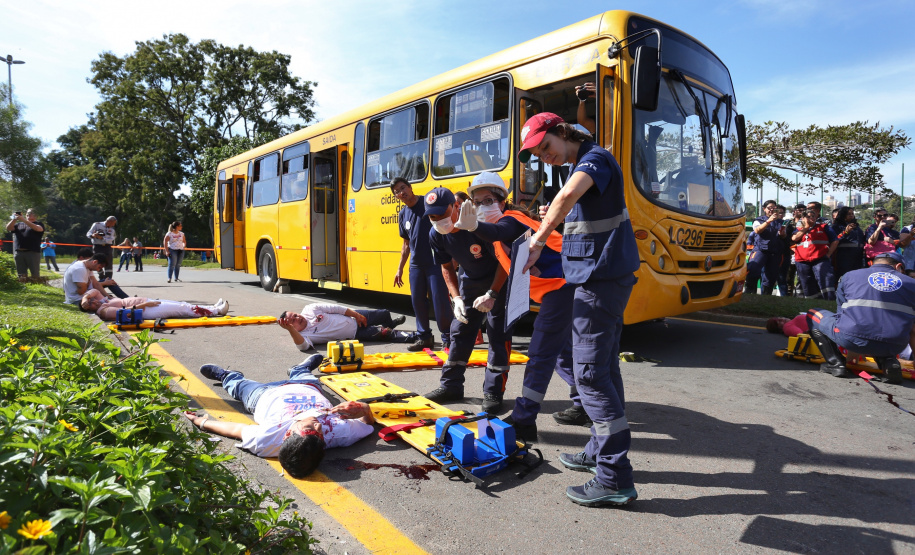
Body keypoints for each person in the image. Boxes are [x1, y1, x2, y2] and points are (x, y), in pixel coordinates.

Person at [519, 112, 640, 507]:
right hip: (597, 279)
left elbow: (567, 196)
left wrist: (538, 239)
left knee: (588, 374)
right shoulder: (580, 164)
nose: (545, 156)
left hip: (600, 282)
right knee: (604, 369)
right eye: (538, 154)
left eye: (546, 147)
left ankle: (613, 476)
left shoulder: (594, 158)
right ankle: (597, 451)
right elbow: (583, 225)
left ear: (562, 131)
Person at [454, 171, 588, 440]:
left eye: (488, 200)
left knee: (540, 353)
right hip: (563, 287)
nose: (482, 207)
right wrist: (492, 293)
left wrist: (474, 227)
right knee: (562, 353)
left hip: (564, 287)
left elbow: (499, 230)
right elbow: (510, 264)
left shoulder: (511, 221)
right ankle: (584, 403)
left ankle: (524, 419)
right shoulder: (501, 231)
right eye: (477, 203)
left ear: (502, 201)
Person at [184, 354, 375, 478]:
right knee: (304, 375)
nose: (317, 425)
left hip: (262, 396)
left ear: (287, 435)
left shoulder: (266, 440)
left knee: (238, 386)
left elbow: (236, 429)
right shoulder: (339, 434)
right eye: (319, 433)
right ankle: (299, 369)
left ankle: (227, 375)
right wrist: (364, 408)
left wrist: (200, 421)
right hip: (306, 387)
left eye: (309, 428)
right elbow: (368, 423)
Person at [424, 187, 513, 413]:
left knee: (498, 333)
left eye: (442, 214)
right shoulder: (436, 234)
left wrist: (492, 294)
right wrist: (456, 298)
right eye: (433, 217)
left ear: (456, 206)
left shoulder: (476, 227)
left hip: (499, 280)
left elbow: (504, 262)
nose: (438, 220)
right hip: (470, 280)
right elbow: (446, 267)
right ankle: (451, 386)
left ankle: (493, 391)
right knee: (460, 331)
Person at [806, 251, 913, 385]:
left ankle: (836, 364)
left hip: (852, 338)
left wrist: (853, 347)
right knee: (887, 325)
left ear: (872, 263)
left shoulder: (850, 276)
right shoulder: (912, 284)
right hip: (895, 345)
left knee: (812, 314)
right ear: (898, 267)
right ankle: (889, 362)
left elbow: (842, 315)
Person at [392, 177, 453, 351]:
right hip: (416, 265)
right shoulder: (403, 214)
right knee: (418, 301)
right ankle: (424, 337)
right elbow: (406, 244)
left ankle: (448, 337)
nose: (401, 193)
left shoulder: (427, 203)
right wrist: (399, 269)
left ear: (410, 187)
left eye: (403, 188)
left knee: (440, 300)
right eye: (397, 192)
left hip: (435, 262)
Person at [278, 303, 414, 351]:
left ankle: (391, 323)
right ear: (292, 327)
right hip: (356, 333)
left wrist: (356, 315)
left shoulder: (310, 309)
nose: (298, 318)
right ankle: (417, 337)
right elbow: (303, 347)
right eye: (293, 321)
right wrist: (290, 330)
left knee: (384, 313)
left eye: (295, 315)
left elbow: (336, 308)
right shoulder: (303, 336)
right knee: (386, 333)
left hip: (353, 317)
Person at [80, 288, 229, 320]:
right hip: (147, 310)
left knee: (182, 304)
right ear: (90, 310)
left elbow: (94, 291)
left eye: (92, 300)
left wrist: (85, 298)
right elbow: (124, 313)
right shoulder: (103, 311)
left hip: (147, 303)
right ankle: (217, 312)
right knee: (182, 309)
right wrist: (144, 306)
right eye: (90, 303)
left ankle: (213, 308)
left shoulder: (101, 302)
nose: (94, 301)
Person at [791, 209, 838, 300]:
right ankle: (812, 302)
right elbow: (794, 238)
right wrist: (806, 227)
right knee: (807, 282)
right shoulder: (799, 229)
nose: (811, 218)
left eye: (813, 216)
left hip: (820, 259)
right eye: (808, 216)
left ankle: (829, 301)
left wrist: (828, 254)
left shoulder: (824, 227)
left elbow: (835, 241)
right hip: (802, 261)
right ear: (803, 218)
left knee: (825, 279)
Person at [746, 200, 786, 295]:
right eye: (769, 208)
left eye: (774, 208)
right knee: (753, 269)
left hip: (775, 252)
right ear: (764, 209)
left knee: (771, 276)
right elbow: (757, 230)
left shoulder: (781, 222)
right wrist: (769, 221)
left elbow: (784, 236)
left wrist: (782, 234)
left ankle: (766, 296)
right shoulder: (758, 220)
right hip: (760, 250)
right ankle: (749, 292)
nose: (772, 210)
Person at [63, 250, 129, 304]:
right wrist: (87, 284)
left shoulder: (87, 266)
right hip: (78, 299)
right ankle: (127, 302)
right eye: (99, 267)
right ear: (95, 262)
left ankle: (128, 299)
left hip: (86, 294)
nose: (98, 270)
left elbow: (96, 284)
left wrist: (109, 297)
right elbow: (81, 291)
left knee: (111, 298)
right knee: (113, 305)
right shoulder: (80, 269)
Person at [6, 209, 44, 278]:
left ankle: (36, 284)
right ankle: (23, 284)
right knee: (21, 275)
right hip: (19, 252)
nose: (29, 214)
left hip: (32, 252)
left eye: (31, 213)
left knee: (35, 274)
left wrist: (23, 220)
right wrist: (14, 219)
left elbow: (38, 229)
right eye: (27, 213)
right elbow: (9, 228)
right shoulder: (18, 224)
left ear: (36, 216)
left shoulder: (38, 224)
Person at [831, 207, 865, 280]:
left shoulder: (856, 227)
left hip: (858, 256)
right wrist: (846, 232)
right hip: (844, 257)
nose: (851, 215)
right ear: (843, 215)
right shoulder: (837, 226)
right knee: (844, 277)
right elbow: (835, 240)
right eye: (849, 214)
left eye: (852, 214)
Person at [86, 216, 118, 280]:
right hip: (97, 246)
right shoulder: (97, 225)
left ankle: (108, 278)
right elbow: (88, 233)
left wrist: (102, 238)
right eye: (113, 223)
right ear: (109, 221)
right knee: (97, 262)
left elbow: (111, 239)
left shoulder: (112, 229)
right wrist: (93, 235)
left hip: (107, 247)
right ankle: (101, 275)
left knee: (108, 262)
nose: (113, 225)